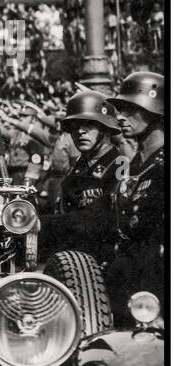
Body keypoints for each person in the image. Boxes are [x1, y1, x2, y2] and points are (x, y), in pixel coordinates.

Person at [38, 90, 123, 258]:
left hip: (101, 258)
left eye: (88, 125)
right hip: (71, 255)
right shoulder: (79, 165)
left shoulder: (120, 166)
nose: (80, 132)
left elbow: (99, 218)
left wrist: (42, 223)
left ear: (105, 129)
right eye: (75, 126)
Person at [107, 71, 165, 313]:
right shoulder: (138, 163)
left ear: (155, 112)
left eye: (130, 110)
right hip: (131, 279)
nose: (121, 118)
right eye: (120, 110)